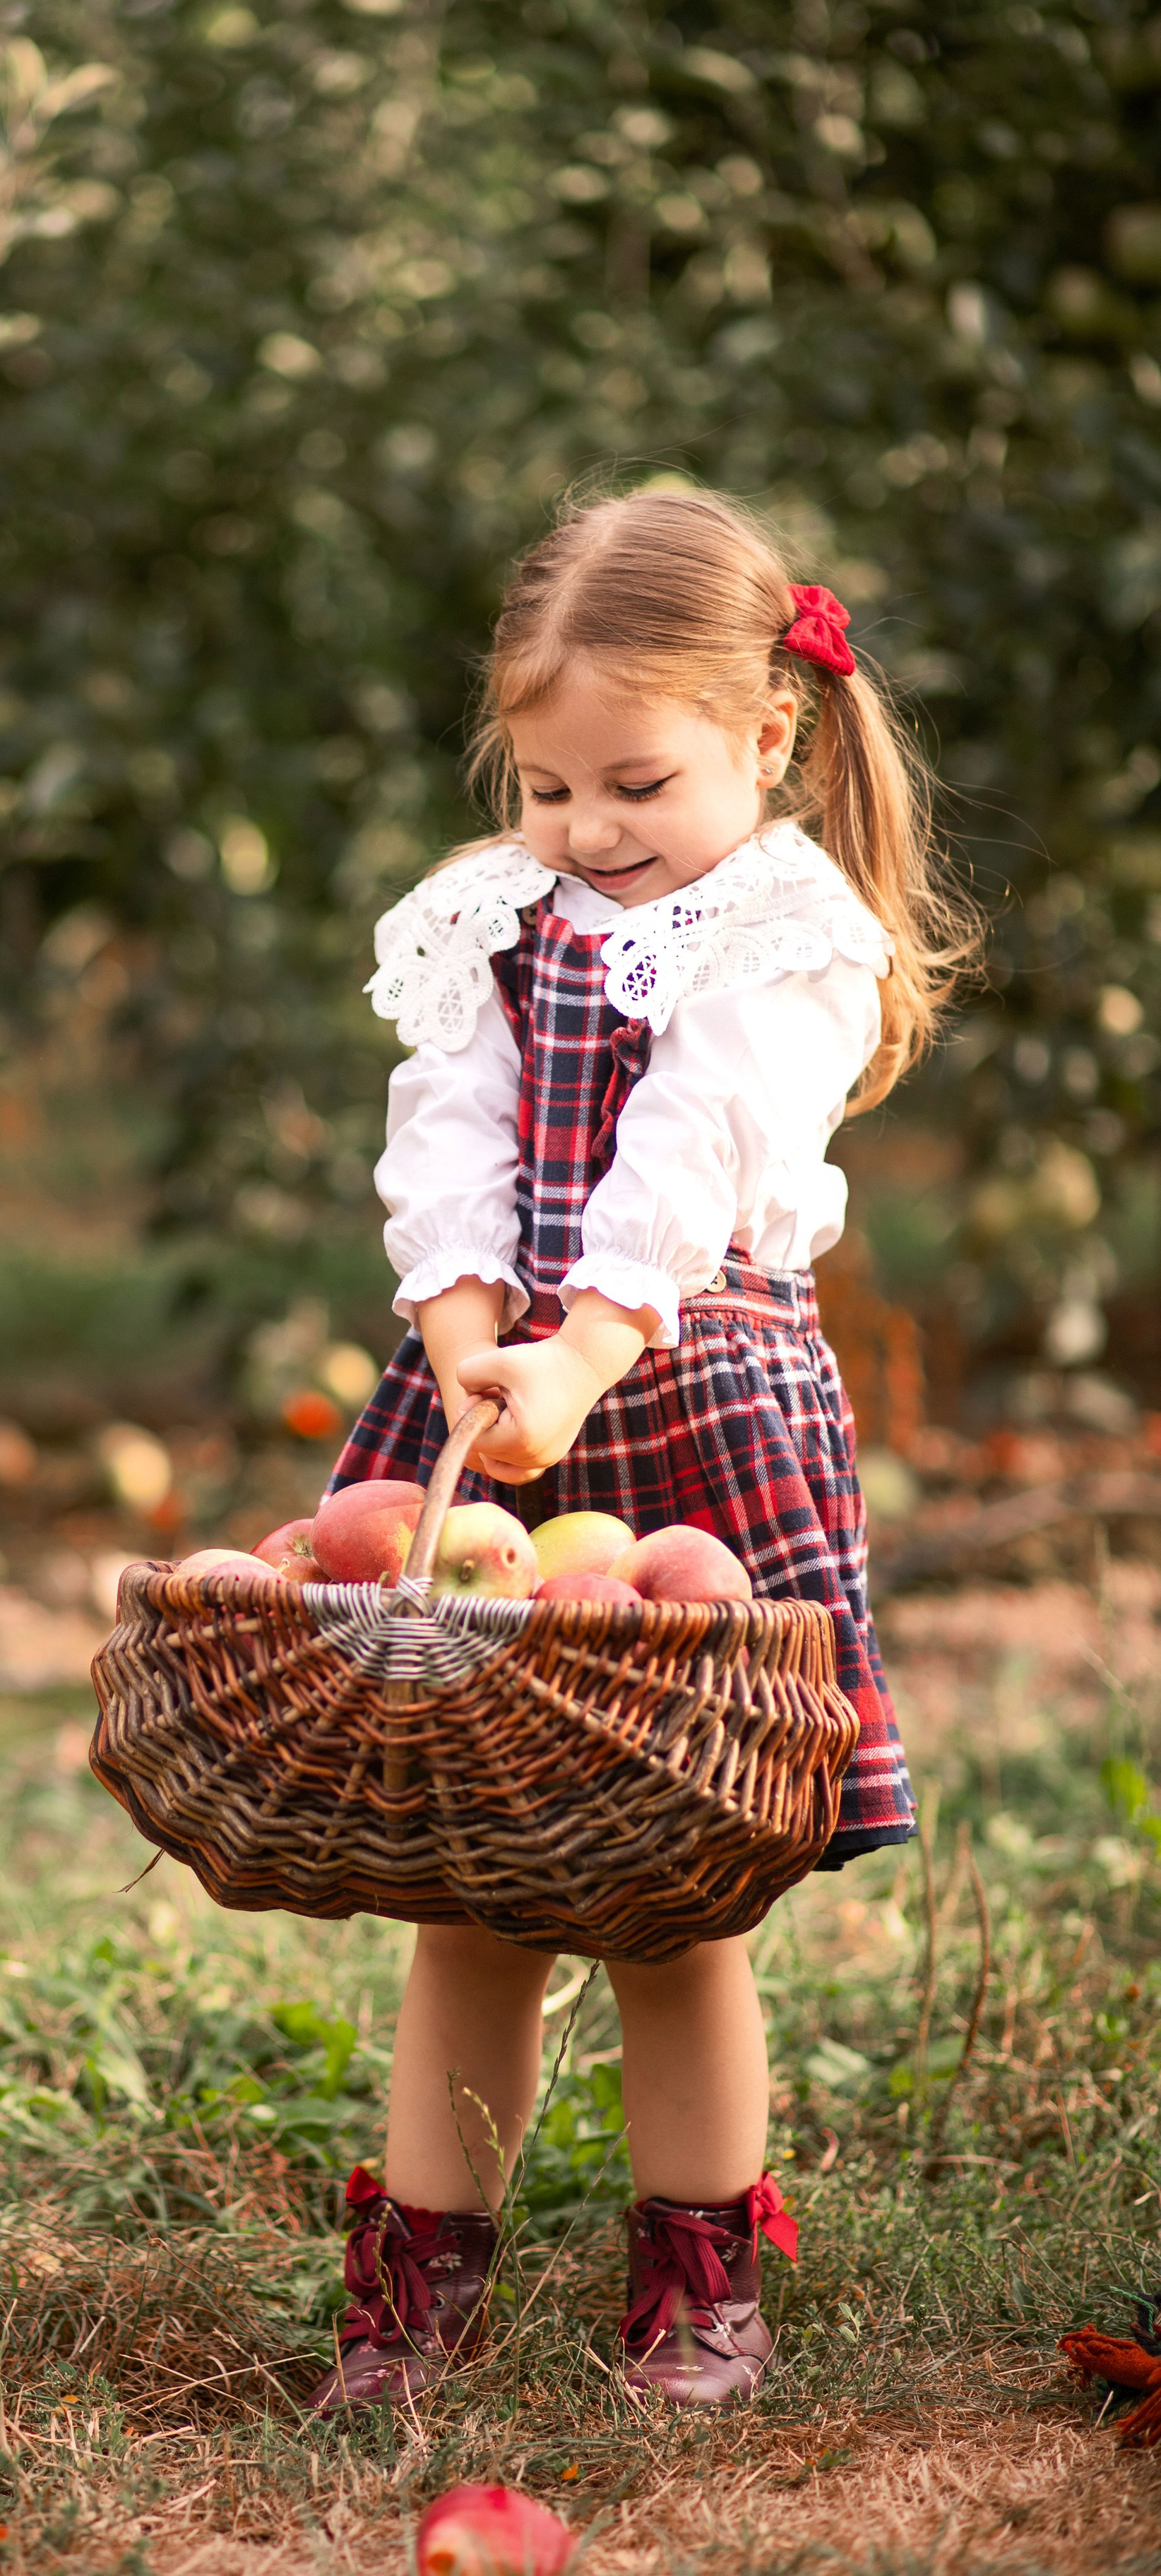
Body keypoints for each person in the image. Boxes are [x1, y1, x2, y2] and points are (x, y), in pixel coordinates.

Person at [309, 485, 969, 2419]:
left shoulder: (783, 932)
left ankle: (700, 2284)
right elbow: (451, 1126)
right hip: (506, 1411)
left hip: (682, 1388)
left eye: (636, 784)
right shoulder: (493, 914)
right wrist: (468, 1347)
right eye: (548, 788)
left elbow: (697, 1144)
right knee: (469, 1884)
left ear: (767, 737)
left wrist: (582, 1351)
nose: (589, 829)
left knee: (677, 1889)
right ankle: (419, 2291)